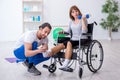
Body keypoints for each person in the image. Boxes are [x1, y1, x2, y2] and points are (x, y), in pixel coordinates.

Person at [43, 5, 88, 71]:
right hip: (73, 39)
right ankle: (48, 53)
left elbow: (84, 31)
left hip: (82, 39)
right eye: (73, 12)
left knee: (69, 43)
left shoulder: (83, 19)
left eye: (76, 11)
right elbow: (69, 32)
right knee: (62, 45)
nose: (75, 13)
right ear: (71, 14)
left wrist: (83, 20)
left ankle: (66, 63)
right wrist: (63, 32)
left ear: (78, 11)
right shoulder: (71, 22)